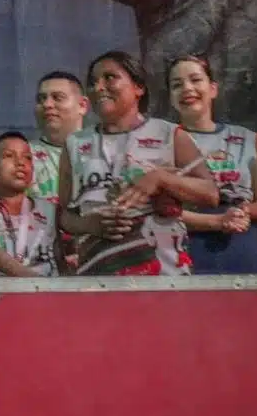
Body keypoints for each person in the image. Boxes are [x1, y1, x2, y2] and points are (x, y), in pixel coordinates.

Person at [58, 50, 218, 276]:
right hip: (98, 273)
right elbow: (65, 216)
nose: (99, 87)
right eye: (93, 82)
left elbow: (210, 193)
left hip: (163, 274)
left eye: (110, 78)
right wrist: (90, 225)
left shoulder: (169, 134)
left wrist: (160, 179)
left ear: (138, 88)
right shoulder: (74, 144)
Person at [167, 55, 257, 273]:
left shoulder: (246, 139)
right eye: (177, 85)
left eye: (195, 80)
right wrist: (215, 221)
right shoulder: (162, 140)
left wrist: (242, 212)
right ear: (170, 97)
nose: (187, 89)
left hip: (241, 240)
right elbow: (163, 212)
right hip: (187, 246)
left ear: (213, 88)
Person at [0, 131, 59, 278]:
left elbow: (58, 257)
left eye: (27, 158)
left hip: (46, 293)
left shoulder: (49, 209)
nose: (20, 162)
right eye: (8, 156)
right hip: (1, 293)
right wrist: (32, 280)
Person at [31, 71, 88, 202]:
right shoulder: (21, 156)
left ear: (82, 105)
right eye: (41, 99)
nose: (47, 104)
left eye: (57, 97)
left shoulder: (104, 151)